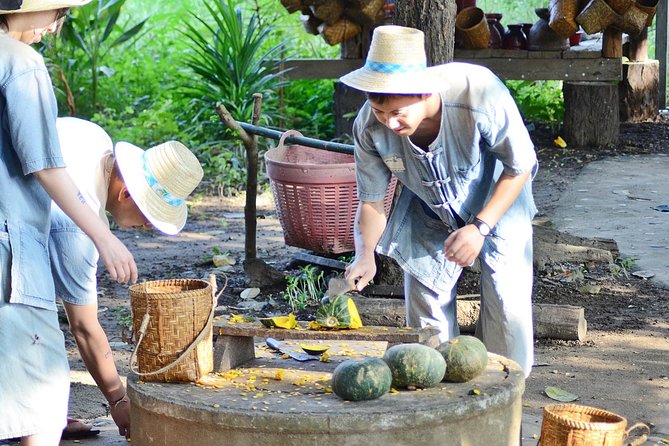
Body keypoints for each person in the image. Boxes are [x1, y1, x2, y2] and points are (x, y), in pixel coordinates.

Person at [340, 25, 538, 377]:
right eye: (381, 111)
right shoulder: (370, 126)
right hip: (428, 207)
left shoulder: (479, 94)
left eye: (399, 112)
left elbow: (521, 165)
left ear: (425, 91)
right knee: (425, 314)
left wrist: (480, 227)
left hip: (499, 199)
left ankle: (504, 394)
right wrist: (364, 254)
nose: (389, 122)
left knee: (507, 306)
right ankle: (438, 399)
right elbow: (371, 202)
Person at [0, 1, 138, 444]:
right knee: (42, 403)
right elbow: (45, 165)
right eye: (57, 14)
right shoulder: (21, 61)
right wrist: (103, 237)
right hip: (10, 246)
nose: (55, 28)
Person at [50, 117, 203, 440]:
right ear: (126, 195)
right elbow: (84, 328)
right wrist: (118, 399)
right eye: (150, 216)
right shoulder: (79, 227)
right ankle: (33, 420)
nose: (147, 227)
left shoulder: (93, 138)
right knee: (34, 324)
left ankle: (42, 412)